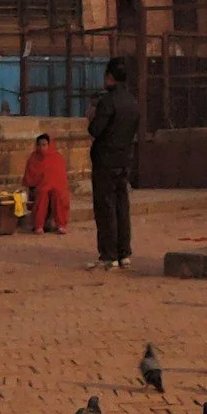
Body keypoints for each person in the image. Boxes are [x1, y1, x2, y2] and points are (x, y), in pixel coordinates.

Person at [86, 57, 139, 271]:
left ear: (109, 77)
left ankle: (108, 255)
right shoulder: (132, 101)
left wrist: (91, 117)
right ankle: (123, 252)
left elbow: (95, 130)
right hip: (124, 158)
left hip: (105, 160)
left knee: (105, 207)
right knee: (121, 206)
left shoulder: (108, 102)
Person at [23, 131, 72, 234]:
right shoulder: (33, 158)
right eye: (39, 145)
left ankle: (61, 225)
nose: (42, 148)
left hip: (56, 187)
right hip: (41, 187)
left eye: (44, 145)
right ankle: (38, 225)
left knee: (58, 194)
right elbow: (30, 178)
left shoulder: (57, 157)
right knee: (42, 194)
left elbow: (60, 178)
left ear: (49, 145)